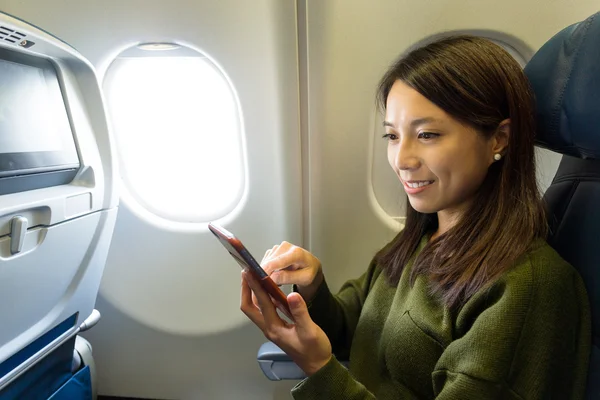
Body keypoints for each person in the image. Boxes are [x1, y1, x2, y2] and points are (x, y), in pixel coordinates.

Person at [240, 36, 591, 399]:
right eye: (392, 135)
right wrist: (311, 288)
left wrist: (319, 369)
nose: (401, 159)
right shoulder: (423, 238)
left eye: (427, 134)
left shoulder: (528, 288)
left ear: (498, 140)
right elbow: (356, 332)